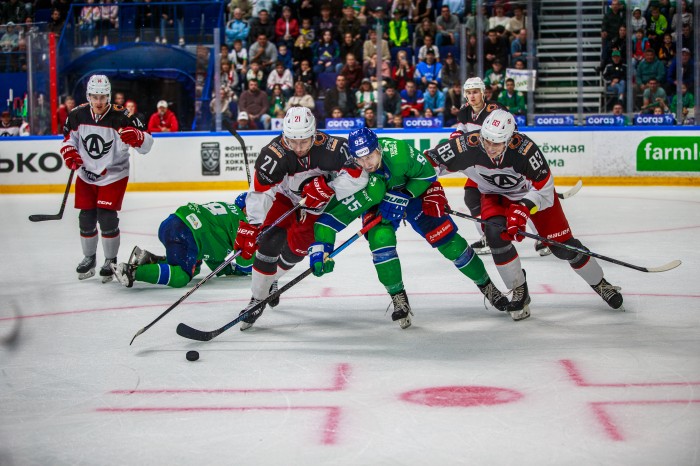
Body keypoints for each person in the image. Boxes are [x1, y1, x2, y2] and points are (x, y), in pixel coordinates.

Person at [425, 109, 624, 320]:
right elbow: (427, 162)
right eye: (487, 140)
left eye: (497, 143)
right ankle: (519, 289)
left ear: (511, 139)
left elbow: (545, 188)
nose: (490, 147)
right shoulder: (466, 145)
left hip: (532, 195)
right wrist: (430, 190)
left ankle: (600, 283)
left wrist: (523, 207)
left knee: (563, 248)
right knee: (495, 236)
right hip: (494, 195)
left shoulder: (526, 150)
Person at [308, 127, 511, 329]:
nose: (366, 164)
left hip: (413, 195)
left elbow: (427, 174)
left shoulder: (399, 153)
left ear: (378, 148)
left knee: (451, 244)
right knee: (380, 242)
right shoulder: (352, 179)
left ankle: (488, 287)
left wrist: (405, 194)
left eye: (370, 156)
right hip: (378, 206)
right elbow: (329, 220)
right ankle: (398, 297)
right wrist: (321, 249)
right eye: (359, 159)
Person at [233, 107, 367, 330]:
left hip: (317, 206)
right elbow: (261, 191)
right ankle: (257, 299)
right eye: (292, 141)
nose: (298, 148)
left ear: (314, 134)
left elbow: (359, 175)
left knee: (297, 250)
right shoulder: (273, 154)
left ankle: (273, 279)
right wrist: (253, 223)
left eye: (303, 141)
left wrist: (329, 187)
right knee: (268, 240)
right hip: (285, 197)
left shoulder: (334, 148)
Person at [61, 75, 154, 282]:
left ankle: (110, 260)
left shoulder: (123, 116)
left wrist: (139, 138)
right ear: (88, 96)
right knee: (86, 218)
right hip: (86, 175)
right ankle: (89, 258)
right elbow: (68, 140)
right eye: (95, 96)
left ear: (109, 96)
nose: (99, 101)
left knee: (107, 217)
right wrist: (68, 152)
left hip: (113, 175)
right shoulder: (77, 115)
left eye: (103, 96)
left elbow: (147, 144)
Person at [111, 195, 253, 288]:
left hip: (173, 223)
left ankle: (150, 260)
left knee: (193, 266)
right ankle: (133, 271)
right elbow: (246, 263)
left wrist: (229, 269)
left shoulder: (228, 211)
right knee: (181, 276)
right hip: (186, 233)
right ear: (247, 209)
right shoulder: (241, 221)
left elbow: (214, 255)